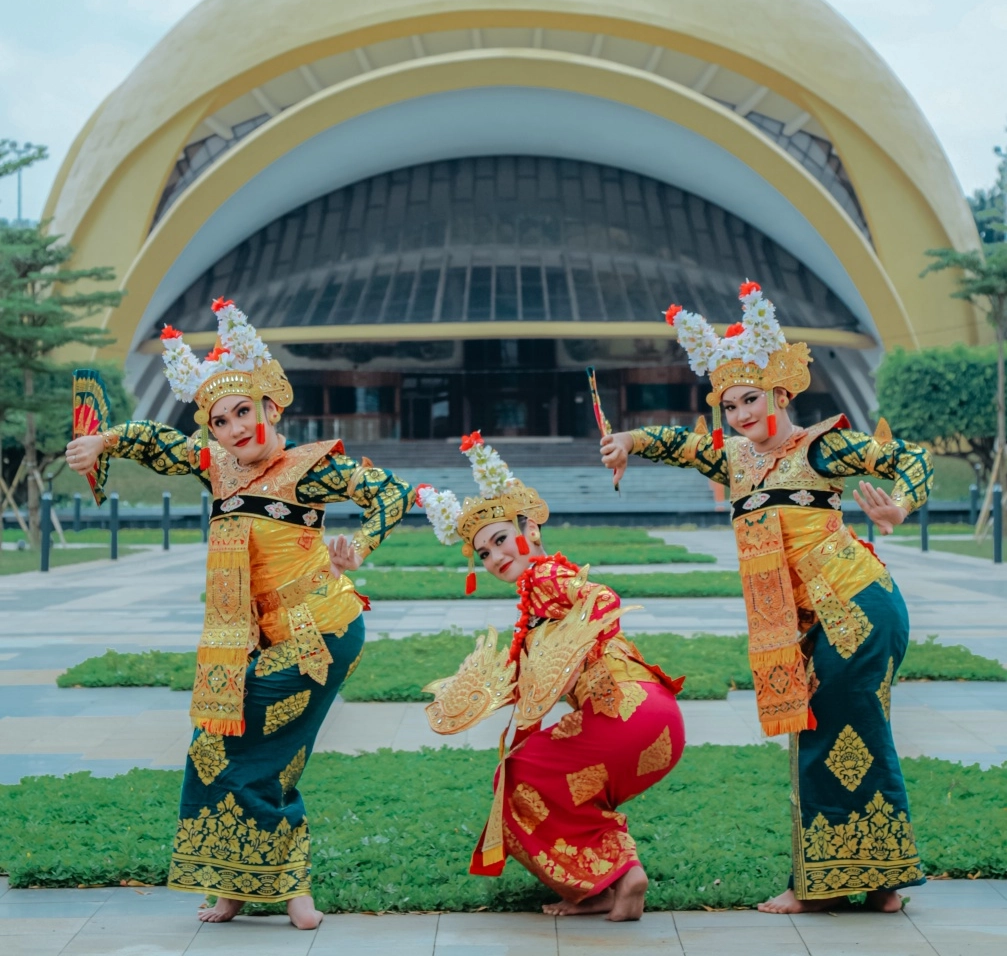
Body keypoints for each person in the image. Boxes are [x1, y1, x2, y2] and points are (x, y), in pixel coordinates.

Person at [65, 298, 414, 930]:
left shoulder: (308, 469)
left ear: (271, 409)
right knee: (215, 748)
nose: (233, 429)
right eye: (220, 421)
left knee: (250, 750)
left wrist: (356, 546)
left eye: (243, 413)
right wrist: (103, 440)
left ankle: (288, 885)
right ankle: (239, 884)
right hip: (248, 641)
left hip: (321, 633)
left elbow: (390, 491)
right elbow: (157, 441)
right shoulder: (219, 469)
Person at [600, 281, 932, 914]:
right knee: (844, 735)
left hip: (857, 607)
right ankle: (878, 883)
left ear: (781, 393)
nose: (740, 415)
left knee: (830, 735)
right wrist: (629, 443)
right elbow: (680, 442)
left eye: (751, 399)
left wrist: (901, 505)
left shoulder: (820, 446)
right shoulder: (739, 460)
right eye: (729, 406)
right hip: (817, 620)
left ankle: (820, 889)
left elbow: (906, 457)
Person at [413, 432, 685, 921]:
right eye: (485, 553)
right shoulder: (533, 614)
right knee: (564, 784)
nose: (496, 557)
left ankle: (606, 880)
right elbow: (521, 687)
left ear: (530, 530)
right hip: (657, 720)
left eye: (500, 539)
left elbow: (601, 599)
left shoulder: (544, 578)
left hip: (621, 710)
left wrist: (579, 630)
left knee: (518, 777)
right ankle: (618, 879)